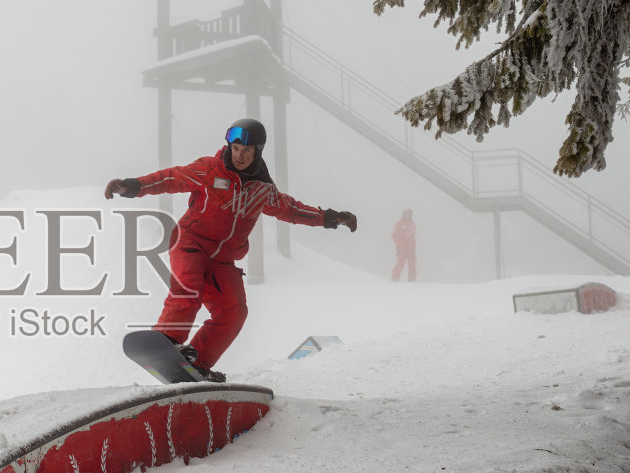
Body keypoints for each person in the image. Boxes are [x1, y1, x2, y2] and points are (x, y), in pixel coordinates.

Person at [105, 118, 357, 381]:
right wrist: (131, 186)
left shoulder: (263, 190)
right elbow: (170, 179)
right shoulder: (209, 169)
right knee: (189, 287)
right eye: (235, 148)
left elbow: (291, 210)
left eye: (246, 151)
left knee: (234, 311)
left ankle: (198, 362)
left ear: (257, 152)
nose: (239, 155)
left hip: (223, 260)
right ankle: (168, 339)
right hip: (190, 242)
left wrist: (330, 217)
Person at [392, 208, 417, 282]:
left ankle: (412, 280)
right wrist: (398, 245)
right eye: (407, 213)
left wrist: (413, 245)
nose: (408, 215)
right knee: (400, 264)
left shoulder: (413, 224)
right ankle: (395, 279)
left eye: (410, 213)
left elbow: (413, 236)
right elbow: (394, 235)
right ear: (403, 214)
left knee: (412, 265)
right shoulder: (399, 224)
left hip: (411, 248)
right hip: (402, 248)